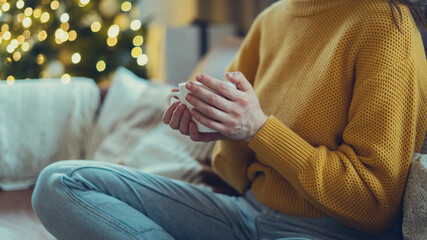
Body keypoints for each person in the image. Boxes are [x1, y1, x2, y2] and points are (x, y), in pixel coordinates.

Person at [32, 0, 427, 239]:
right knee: (60, 183)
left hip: (329, 232)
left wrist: (259, 129)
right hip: (245, 215)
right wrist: (221, 129)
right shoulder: (272, 19)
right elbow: (235, 172)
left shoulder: (384, 28)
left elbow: (374, 207)